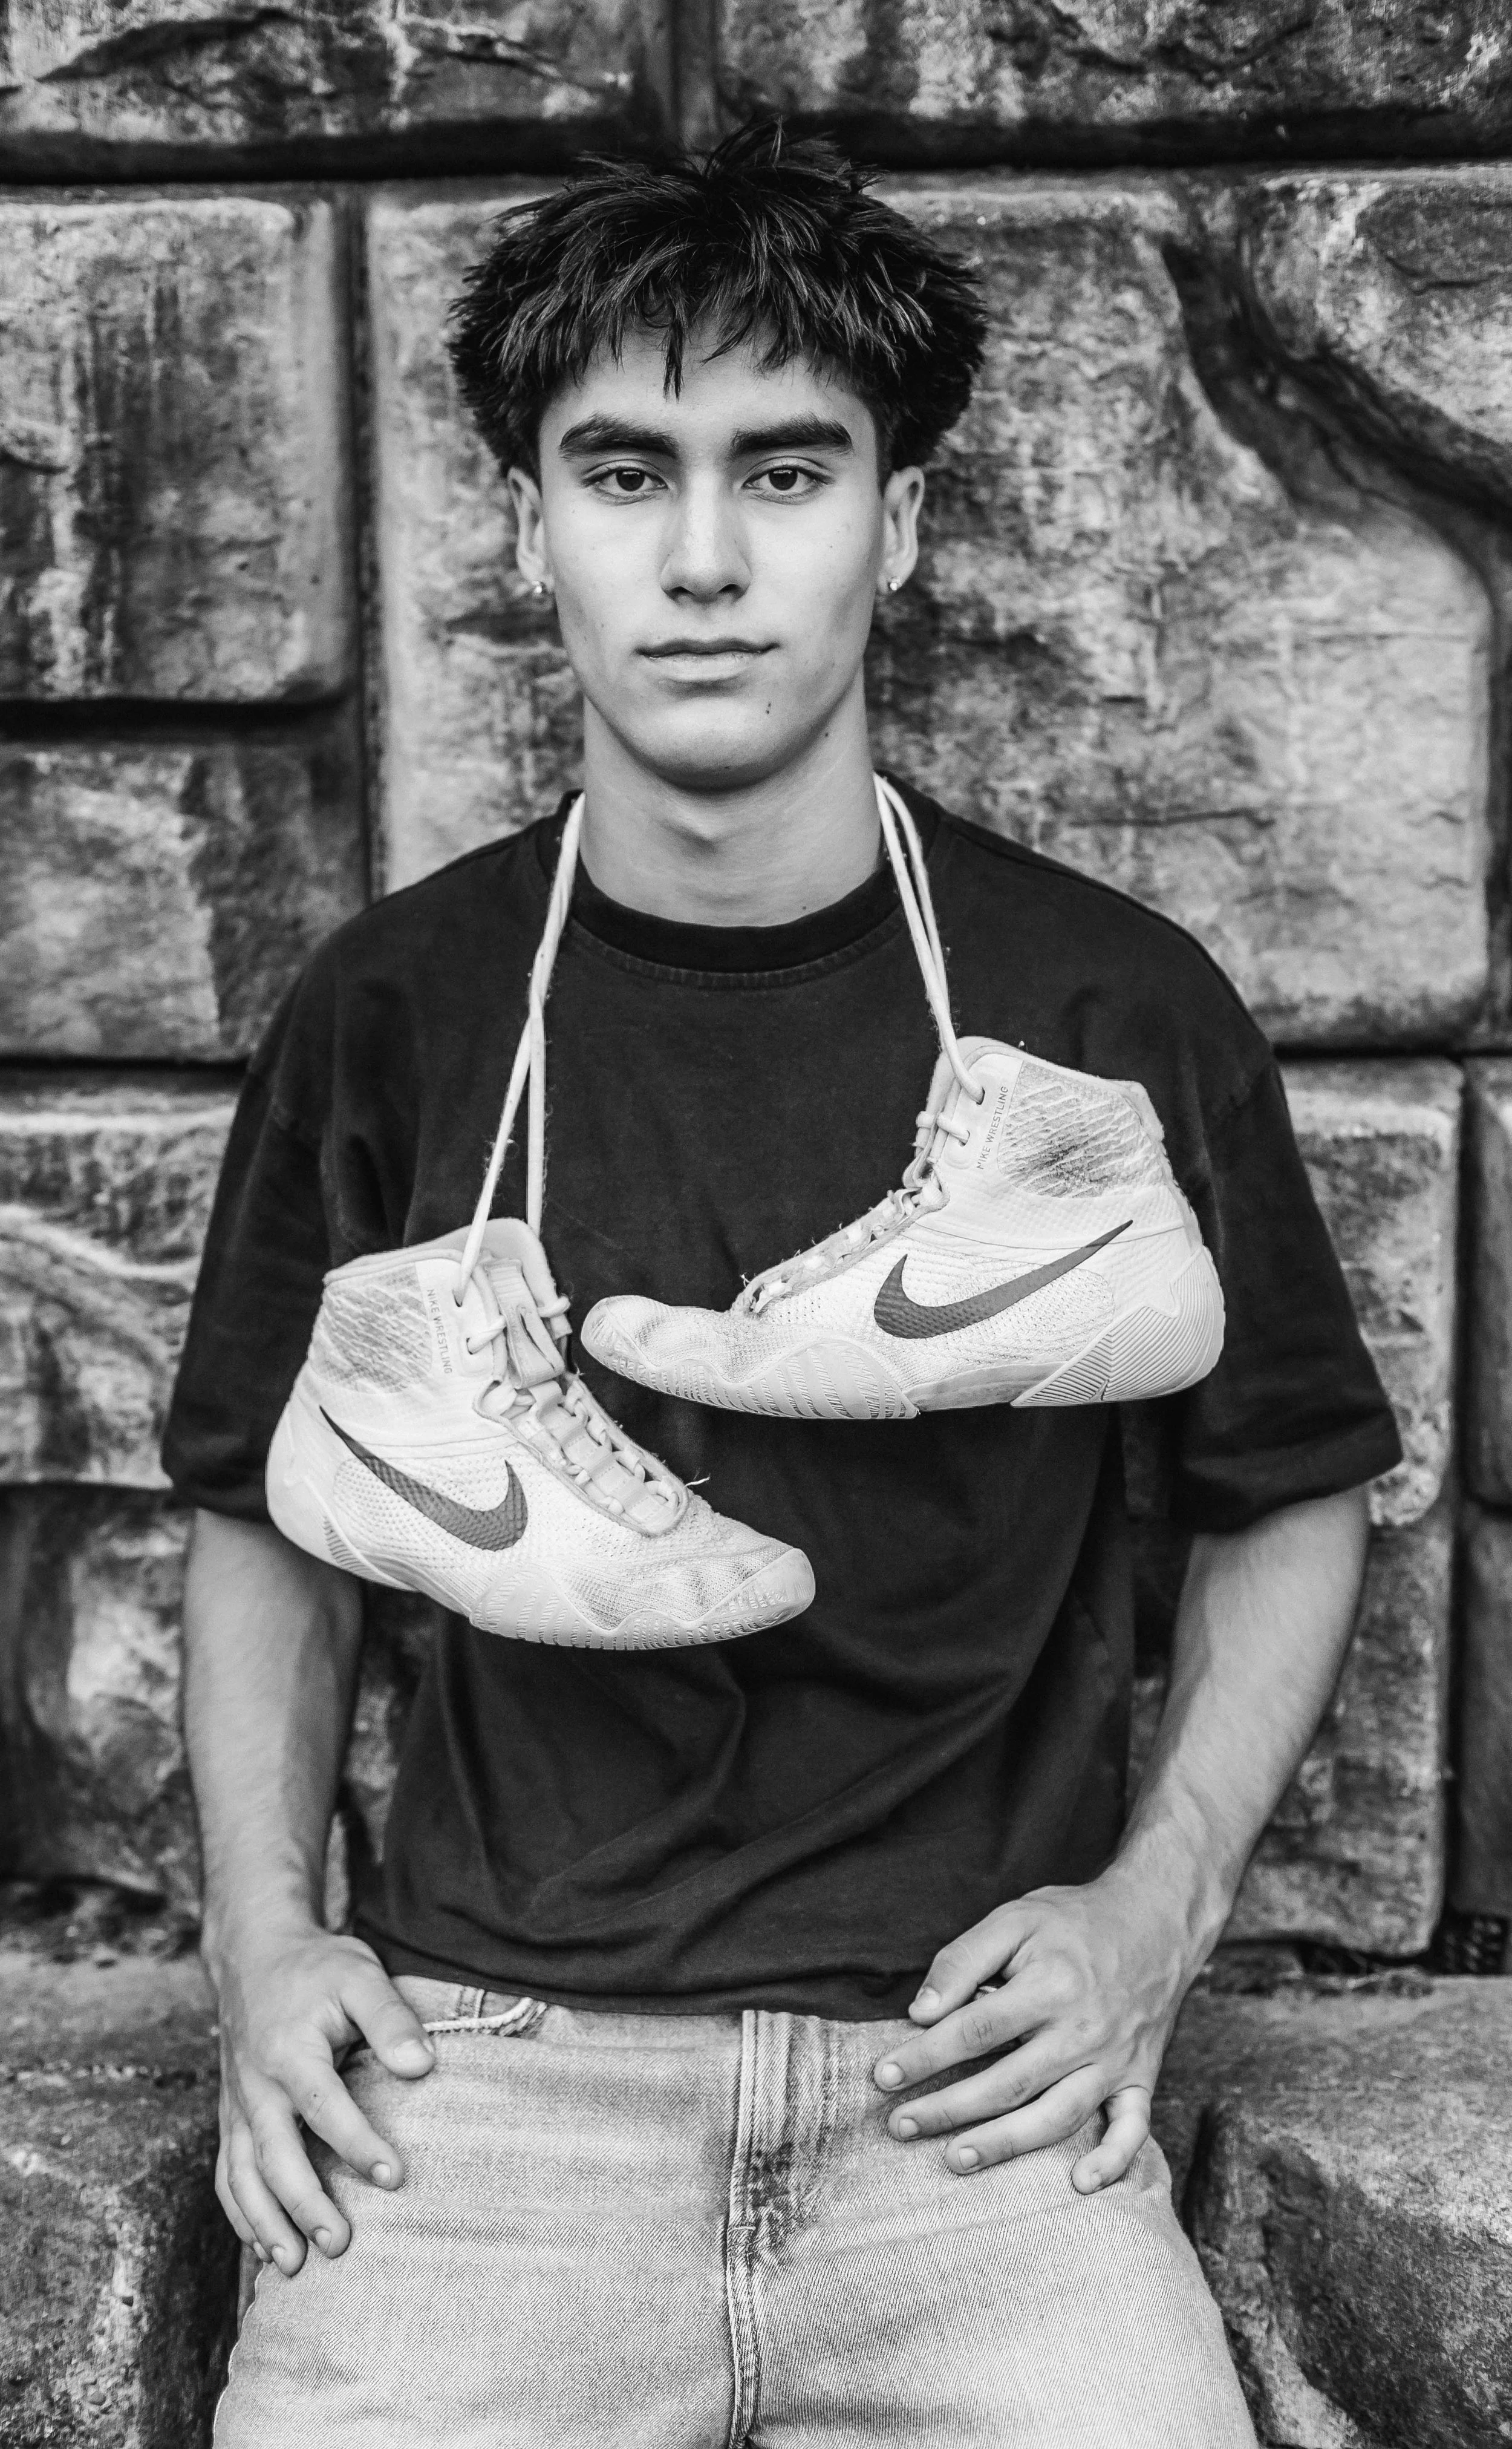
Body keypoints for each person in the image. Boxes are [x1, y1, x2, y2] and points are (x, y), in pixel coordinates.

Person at [167, 123, 1401, 2447]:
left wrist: (1153, 1914)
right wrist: (262, 1939)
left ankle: (981, 1225)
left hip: (968, 2093)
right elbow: (257, 1506)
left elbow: (1288, 1481)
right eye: (625, 474)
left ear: (902, 525)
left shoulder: (1107, 1009)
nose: (707, 560)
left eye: (788, 468)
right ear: (529, 533)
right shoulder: (399, 1009)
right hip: (489, 2073)